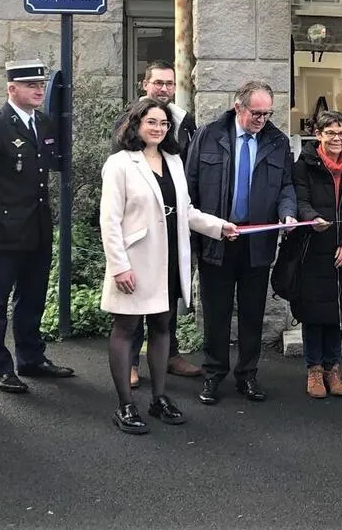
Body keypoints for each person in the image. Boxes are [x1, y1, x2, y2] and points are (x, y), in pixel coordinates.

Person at [100, 98, 237, 434]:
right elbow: (109, 221)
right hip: (135, 261)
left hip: (169, 258)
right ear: (136, 124)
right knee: (126, 329)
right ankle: (125, 405)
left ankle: (159, 398)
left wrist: (219, 227)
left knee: (162, 326)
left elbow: (186, 211)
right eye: (151, 122)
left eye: (163, 123)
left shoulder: (174, 161)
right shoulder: (119, 164)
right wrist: (119, 266)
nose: (158, 128)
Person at [186, 81, 297, 405]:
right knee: (216, 313)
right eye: (256, 113)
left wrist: (288, 213)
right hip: (217, 239)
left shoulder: (277, 141)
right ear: (238, 107)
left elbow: (286, 186)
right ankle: (213, 374)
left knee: (252, 313)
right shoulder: (209, 135)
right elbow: (190, 186)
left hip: (256, 241)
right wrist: (200, 232)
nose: (262, 120)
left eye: (267, 113)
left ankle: (247, 374)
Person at [0, 60, 74, 395]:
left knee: (32, 297)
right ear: (11, 88)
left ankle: (31, 357)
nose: (38, 90)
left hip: (37, 226)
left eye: (41, 85)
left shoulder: (42, 123)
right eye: (30, 85)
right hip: (2, 230)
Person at [111, 60, 201, 385]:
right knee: (135, 303)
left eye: (169, 83)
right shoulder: (129, 121)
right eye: (158, 83)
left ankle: (170, 354)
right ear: (144, 84)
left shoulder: (183, 121)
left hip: (172, 226)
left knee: (167, 296)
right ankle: (132, 362)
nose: (164, 89)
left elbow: (186, 169)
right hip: (139, 233)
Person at [291, 110, 342, 398]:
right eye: (330, 133)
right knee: (314, 311)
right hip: (313, 247)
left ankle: (332, 368)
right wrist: (311, 217)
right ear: (318, 135)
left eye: (341, 133)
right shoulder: (304, 165)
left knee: (338, 311)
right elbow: (299, 199)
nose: (337, 138)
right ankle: (314, 369)